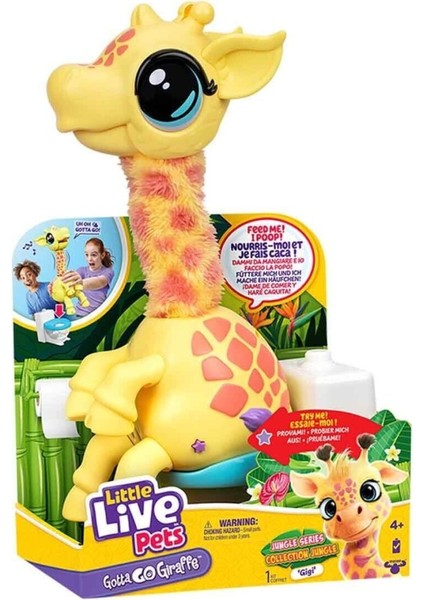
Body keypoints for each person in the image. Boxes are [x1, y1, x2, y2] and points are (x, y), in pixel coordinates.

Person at [61, 238, 114, 317]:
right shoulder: (81, 271)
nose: (89, 259)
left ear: (102, 255)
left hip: (99, 316)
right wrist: (56, 285)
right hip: (79, 314)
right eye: (87, 255)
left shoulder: (108, 272)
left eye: (94, 255)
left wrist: (80, 283)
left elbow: (100, 282)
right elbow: (68, 283)